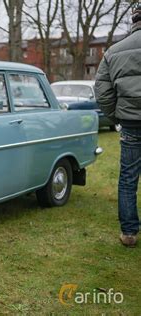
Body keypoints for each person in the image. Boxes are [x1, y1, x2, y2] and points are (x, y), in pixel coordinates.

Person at [94, 4, 141, 248]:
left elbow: (102, 92)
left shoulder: (114, 51)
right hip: (130, 121)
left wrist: (117, 117)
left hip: (132, 124)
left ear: (133, 21)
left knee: (128, 179)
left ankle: (129, 233)